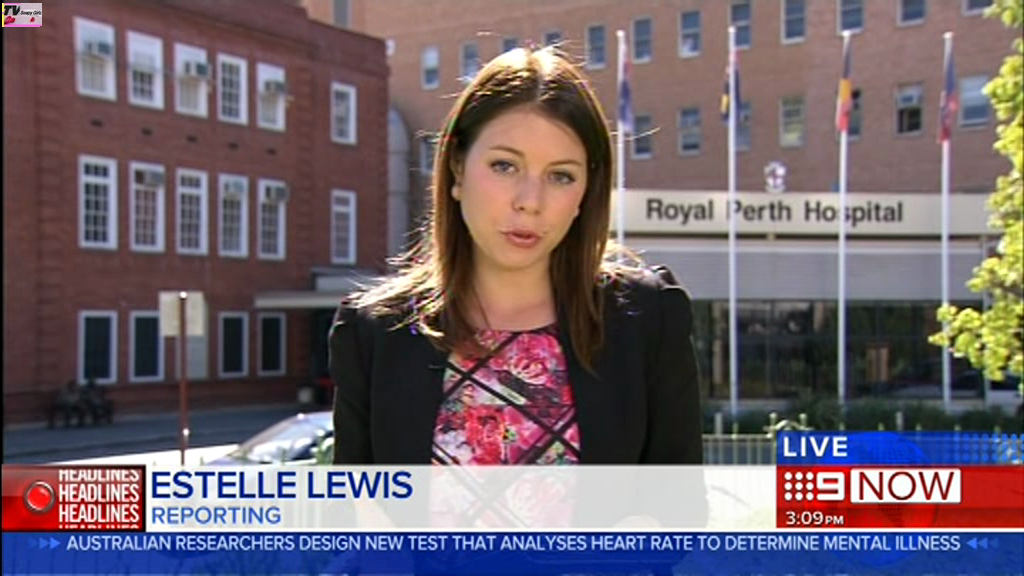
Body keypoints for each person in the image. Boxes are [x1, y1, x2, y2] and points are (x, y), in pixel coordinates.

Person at [330, 47, 702, 467]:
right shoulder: (376, 332)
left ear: (586, 192)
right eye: (505, 166)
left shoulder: (646, 319)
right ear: (457, 168)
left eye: (561, 176)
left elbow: (678, 497)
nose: (530, 201)